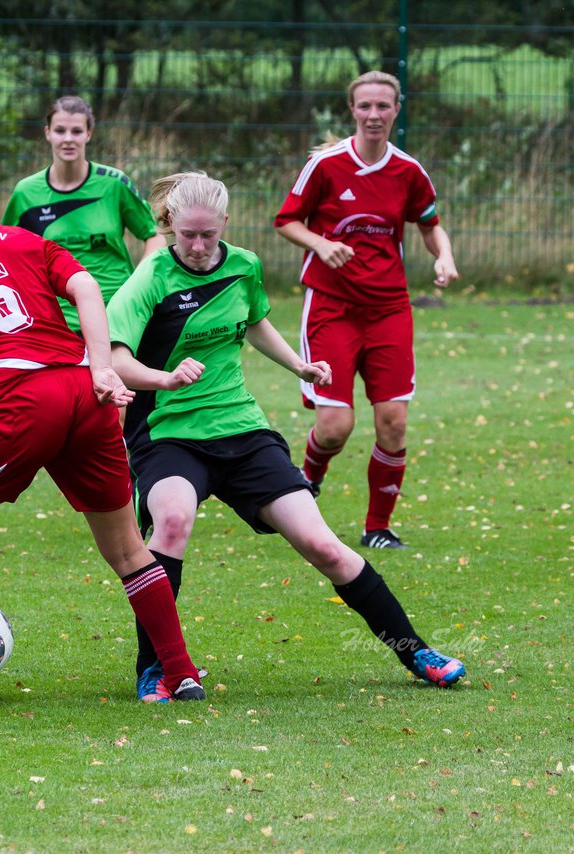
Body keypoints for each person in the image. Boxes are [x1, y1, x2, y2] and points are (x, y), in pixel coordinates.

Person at [105, 171, 464, 700]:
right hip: (166, 433)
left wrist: (300, 366)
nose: (200, 247)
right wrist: (164, 377)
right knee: (173, 521)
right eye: (189, 236)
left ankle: (415, 651)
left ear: (225, 224)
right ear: (170, 227)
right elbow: (114, 360)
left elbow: (254, 322)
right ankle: (153, 668)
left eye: (209, 234)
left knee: (325, 545)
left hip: (241, 429)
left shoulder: (244, 264)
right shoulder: (150, 277)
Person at [0, 178, 204, 704]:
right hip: (84, 389)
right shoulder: (13, 237)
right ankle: (180, 675)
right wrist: (97, 367)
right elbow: (87, 287)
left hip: (19, 399)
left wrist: (16, 384)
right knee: (128, 549)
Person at [274, 70, 459, 550]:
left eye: (383, 106)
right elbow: (286, 220)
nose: (374, 115)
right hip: (331, 306)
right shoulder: (327, 165)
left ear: (397, 109)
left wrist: (444, 254)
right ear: (352, 110)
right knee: (334, 427)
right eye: (365, 106)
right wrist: (321, 243)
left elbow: (430, 224)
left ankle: (378, 527)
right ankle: (307, 478)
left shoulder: (409, 171)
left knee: (394, 421)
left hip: (388, 309)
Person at [2, 95, 166, 333]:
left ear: (88, 134)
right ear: (48, 133)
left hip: (115, 313)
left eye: (76, 131)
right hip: (56, 319)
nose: (68, 139)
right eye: (60, 130)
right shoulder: (26, 192)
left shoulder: (114, 183)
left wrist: (137, 283)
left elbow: (155, 236)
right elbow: (7, 254)